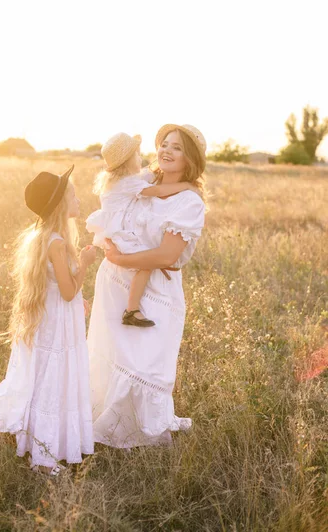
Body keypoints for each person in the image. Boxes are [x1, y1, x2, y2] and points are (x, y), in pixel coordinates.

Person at [87, 124, 207, 448]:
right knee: (111, 353)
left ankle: (145, 433)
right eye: (164, 144)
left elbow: (167, 254)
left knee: (146, 362)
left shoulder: (189, 202)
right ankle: (104, 424)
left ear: (191, 158)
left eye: (177, 147)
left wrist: (120, 259)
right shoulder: (142, 182)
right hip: (114, 283)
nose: (166, 150)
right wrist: (115, 259)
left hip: (155, 289)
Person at [0, 166, 97, 475]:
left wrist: (80, 302)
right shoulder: (58, 243)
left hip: (51, 319)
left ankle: (44, 442)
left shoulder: (44, 236)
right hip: (57, 326)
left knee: (46, 376)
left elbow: (56, 289)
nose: (78, 198)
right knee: (54, 379)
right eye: (73, 194)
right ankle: (45, 459)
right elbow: (66, 291)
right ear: (62, 204)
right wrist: (86, 264)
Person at [86, 132, 197, 327]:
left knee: (143, 263)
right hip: (118, 232)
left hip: (113, 229)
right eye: (137, 156)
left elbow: (151, 174)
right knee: (145, 263)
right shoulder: (129, 183)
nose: (142, 159)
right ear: (129, 161)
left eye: (176, 147)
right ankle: (132, 309)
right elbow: (158, 190)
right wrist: (187, 185)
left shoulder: (120, 178)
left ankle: (132, 308)